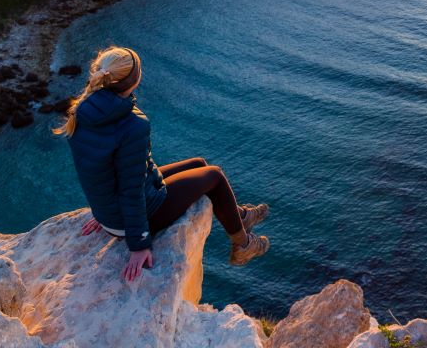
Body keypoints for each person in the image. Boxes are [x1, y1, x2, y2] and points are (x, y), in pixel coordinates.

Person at [55, 46, 270, 281]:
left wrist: (103, 207)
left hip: (111, 210)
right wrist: (138, 244)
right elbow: (131, 190)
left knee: (199, 164)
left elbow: (91, 166)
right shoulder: (133, 125)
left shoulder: (83, 108)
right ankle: (244, 244)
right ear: (135, 80)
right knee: (215, 176)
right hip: (134, 219)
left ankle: (240, 216)